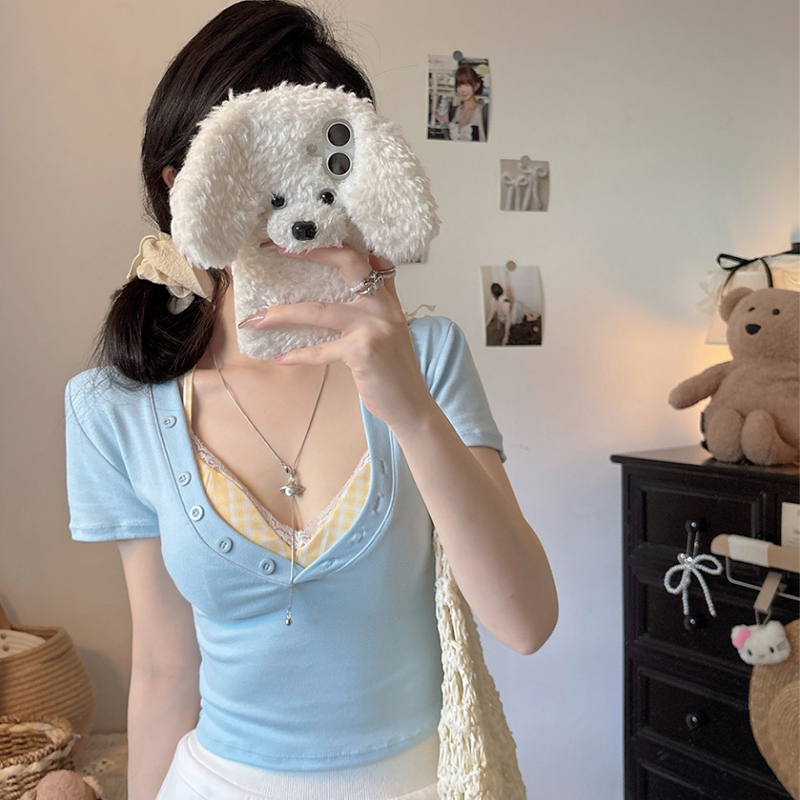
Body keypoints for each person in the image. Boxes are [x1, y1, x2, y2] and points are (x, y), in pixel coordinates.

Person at [65, 3, 558, 799]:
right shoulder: (114, 407)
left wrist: (409, 409)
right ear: (180, 186)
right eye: (258, 165)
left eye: (327, 158)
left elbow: (526, 621)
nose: (294, 208)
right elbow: (162, 668)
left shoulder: (426, 358)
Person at [435, 63, 489, 142]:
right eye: (459, 86)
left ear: (476, 86)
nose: (463, 90)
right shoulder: (453, 111)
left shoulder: (484, 111)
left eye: (467, 85)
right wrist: (443, 123)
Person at [486, 280, 541, 346]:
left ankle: (529, 315)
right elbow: (508, 321)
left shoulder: (493, 301)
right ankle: (532, 315)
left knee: (517, 305)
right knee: (517, 305)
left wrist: (485, 325)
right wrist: (506, 336)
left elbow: (490, 316)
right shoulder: (505, 304)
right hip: (511, 319)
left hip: (502, 318)